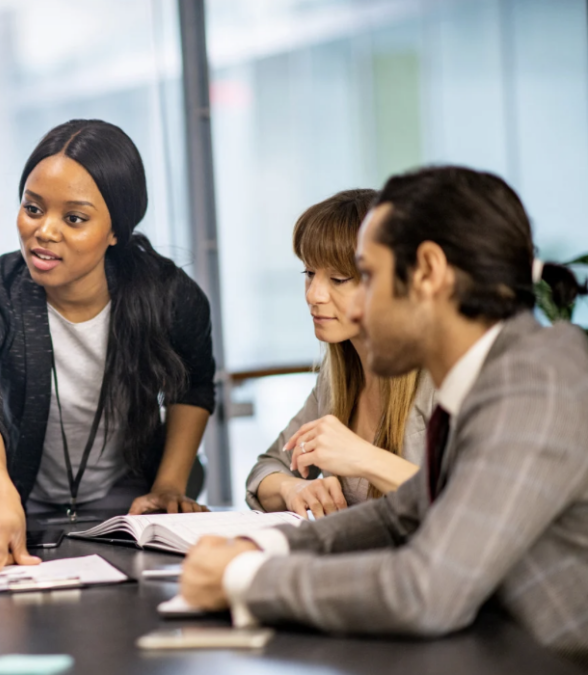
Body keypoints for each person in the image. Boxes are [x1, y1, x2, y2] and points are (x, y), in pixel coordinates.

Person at [180, 166, 588, 667]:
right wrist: (266, 549)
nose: (357, 309)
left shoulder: (537, 383)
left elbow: (427, 590)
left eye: (366, 278)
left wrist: (242, 579)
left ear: (429, 272)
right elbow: (399, 515)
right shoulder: (493, 377)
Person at [0, 119, 216, 568]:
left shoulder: (169, 294)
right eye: (33, 209)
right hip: (19, 500)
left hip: (131, 500)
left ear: (115, 230)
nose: (45, 231)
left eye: (74, 218)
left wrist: (169, 485)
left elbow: (195, 386)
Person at [246, 189, 436, 517]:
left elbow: (473, 505)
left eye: (338, 278)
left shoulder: (440, 377)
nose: (314, 295)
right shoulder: (335, 378)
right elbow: (267, 470)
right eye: (309, 273)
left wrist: (363, 457)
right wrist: (294, 488)